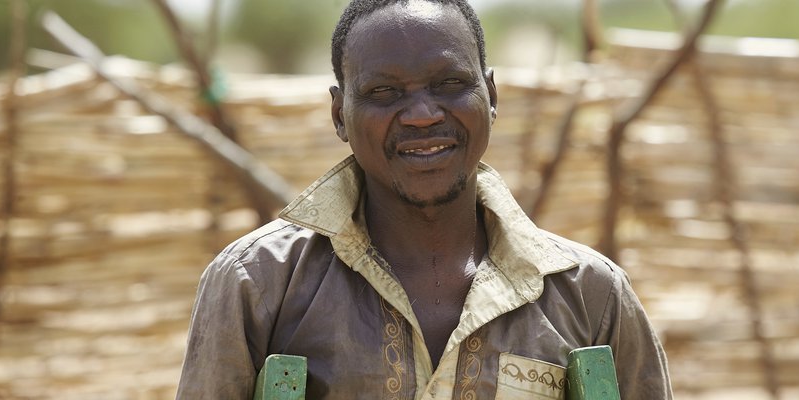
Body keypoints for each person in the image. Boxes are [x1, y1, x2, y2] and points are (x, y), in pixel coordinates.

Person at [176, 0, 672, 398]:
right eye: (385, 92)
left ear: (492, 96)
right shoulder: (258, 284)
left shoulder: (590, 295)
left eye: (450, 84)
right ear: (339, 115)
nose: (421, 114)